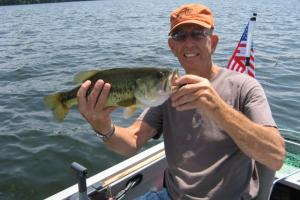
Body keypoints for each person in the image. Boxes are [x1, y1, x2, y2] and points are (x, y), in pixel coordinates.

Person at [77, 3, 285, 200]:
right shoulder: (165, 91)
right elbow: (132, 142)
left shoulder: (245, 87)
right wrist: (103, 127)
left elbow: (275, 156)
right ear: (172, 46)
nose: (188, 42)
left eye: (198, 33)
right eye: (179, 35)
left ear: (212, 42)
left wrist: (217, 108)